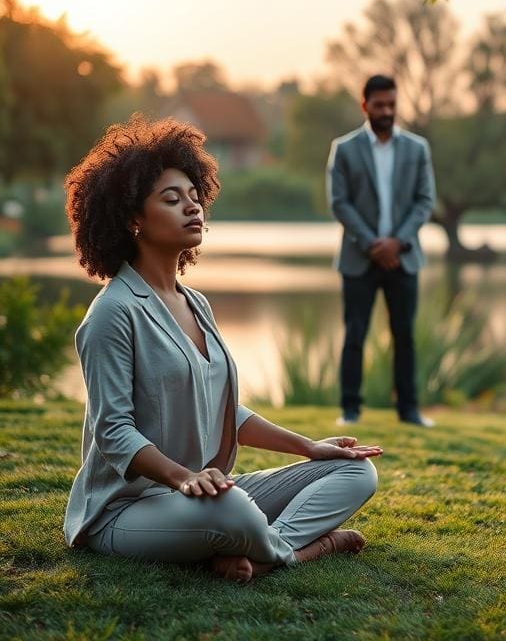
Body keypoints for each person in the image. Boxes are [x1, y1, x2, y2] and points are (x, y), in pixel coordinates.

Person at [62, 115, 382, 584]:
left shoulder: (195, 303)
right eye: (172, 199)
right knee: (231, 508)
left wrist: (309, 447)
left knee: (355, 473)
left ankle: (262, 551)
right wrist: (184, 477)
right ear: (132, 219)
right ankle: (305, 550)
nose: (192, 207)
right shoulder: (112, 313)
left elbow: (224, 410)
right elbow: (113, 432)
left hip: (197, 493)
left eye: (194, 196)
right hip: (125, 510)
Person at [327, 74, 437, 427]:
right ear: (365, 105)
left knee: (405, 337)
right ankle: (350, 411)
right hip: (359, 257)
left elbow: (425, 201)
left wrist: (396, 242)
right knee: (354, 335)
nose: (387, 111)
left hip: (403, 257)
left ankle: (409, 410)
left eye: (392, 104)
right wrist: (372, 244)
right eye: (379, 105)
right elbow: (339, 202)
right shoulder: (344, 148)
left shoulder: (417, 149)